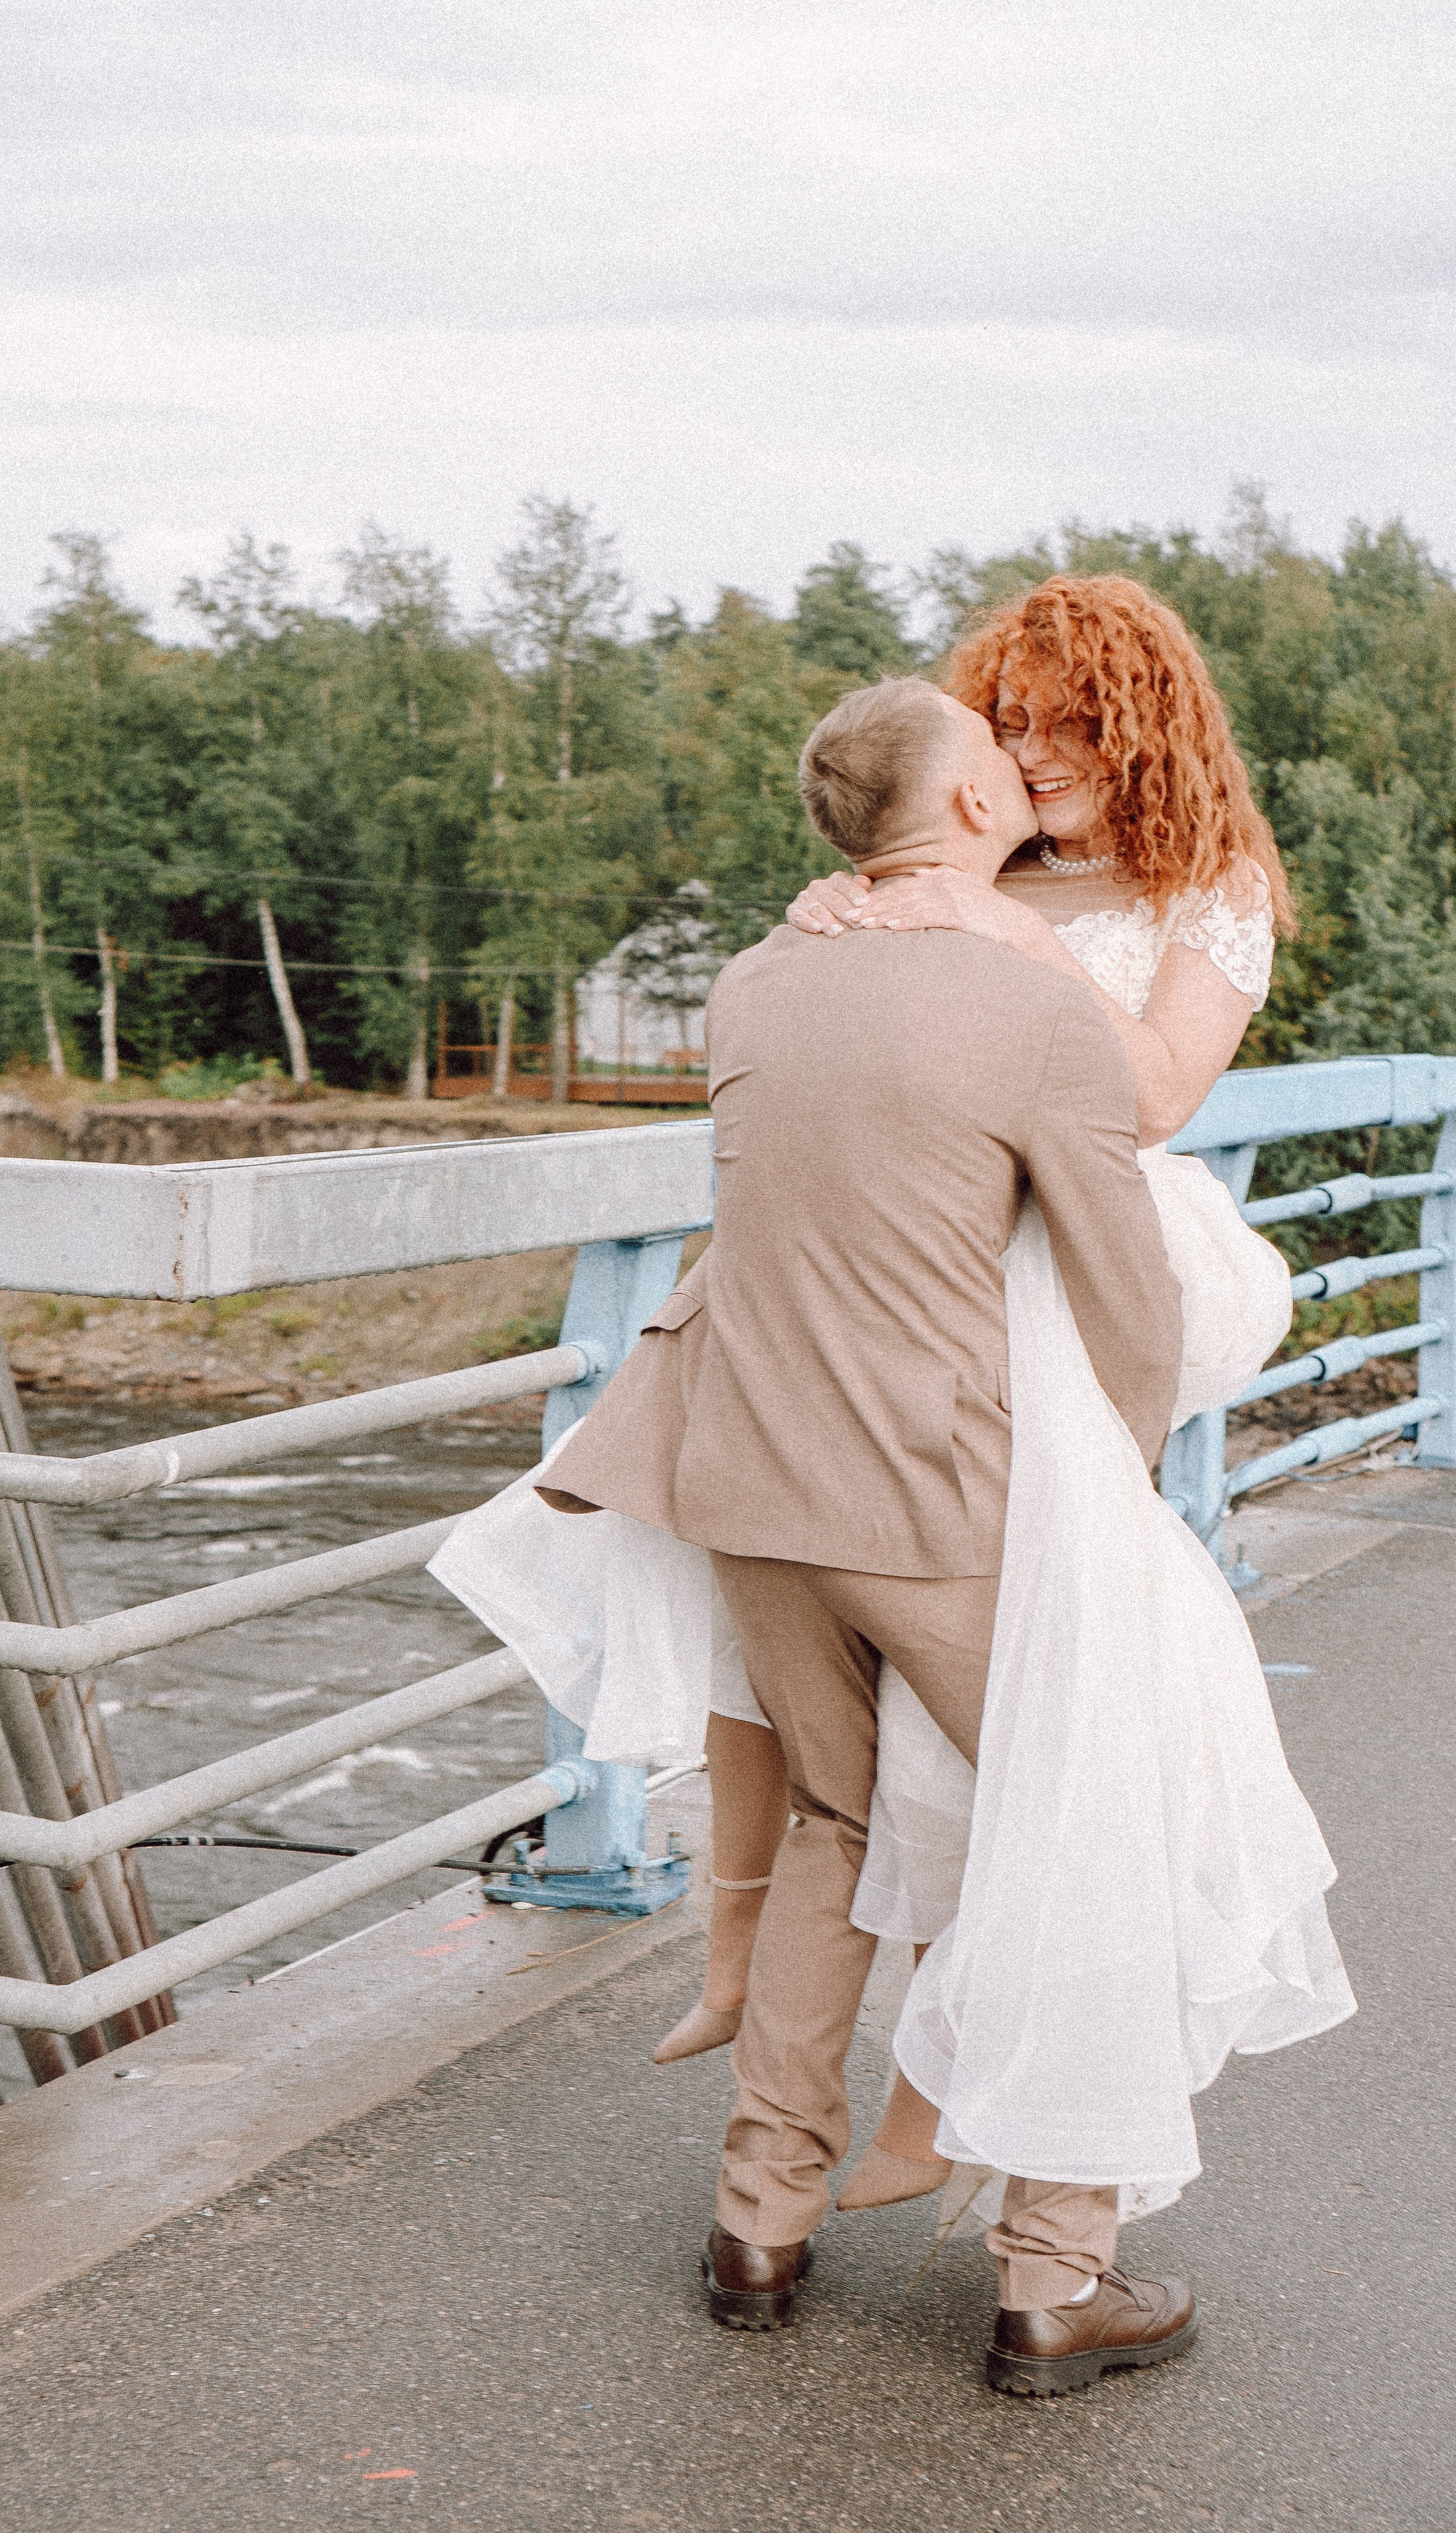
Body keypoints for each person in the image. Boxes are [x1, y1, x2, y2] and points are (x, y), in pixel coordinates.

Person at [505, 673, 1206, 2384]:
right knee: (1080, 1835)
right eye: (995, 761)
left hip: (753, 1489)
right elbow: (1127, 1294)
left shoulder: (756, 987)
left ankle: (761, 2225)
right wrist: (1110, 1485)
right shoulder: (1029, 1016)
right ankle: (1054, 2277)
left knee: (836, 1811)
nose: (1018, 767)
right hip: (938, 1501)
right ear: (969, 811)